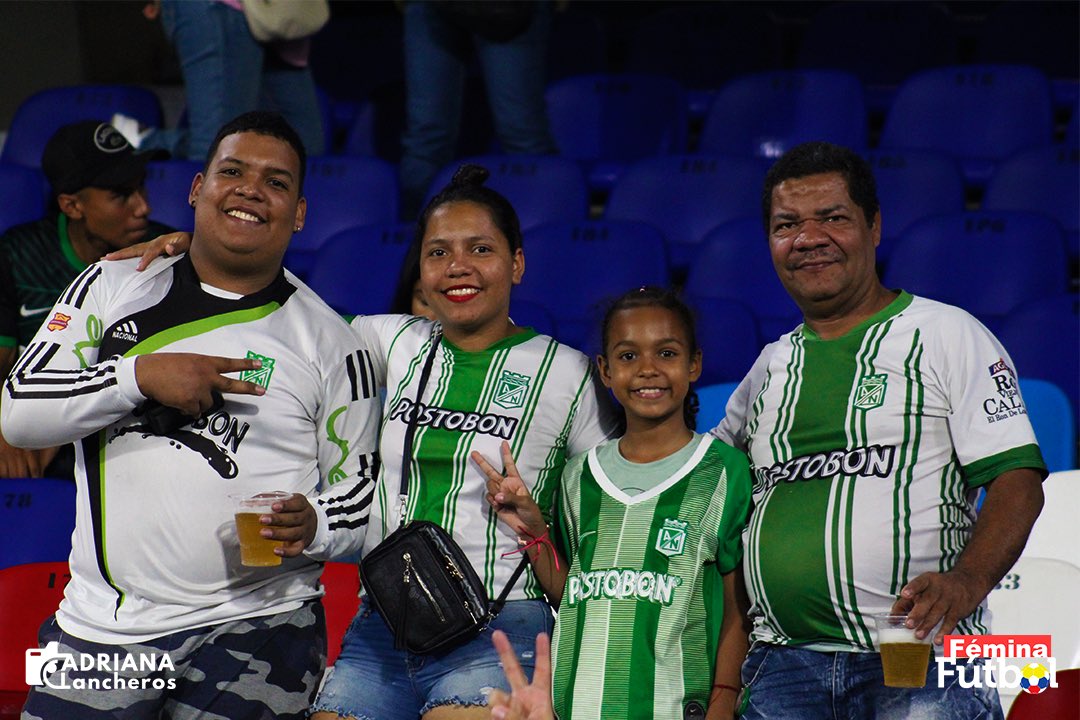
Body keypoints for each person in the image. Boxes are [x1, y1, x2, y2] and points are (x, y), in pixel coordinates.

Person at [108, 163, 618, 719]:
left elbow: (611, 512)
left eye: (481, 249)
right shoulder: (387, 339)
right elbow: (284, 329)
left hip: (502, 621)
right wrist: (208, 254)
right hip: (385, 623)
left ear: (516, 263)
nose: (458, 267)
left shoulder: (568, 374)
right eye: (438, 252)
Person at [1, 111, 381, 719]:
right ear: (197, 188)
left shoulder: (335, 343)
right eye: (232, 172)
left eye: (276, 182)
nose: (251, 190)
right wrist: (137, 376)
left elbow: (361, 498)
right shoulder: (111, 282)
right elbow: (20, 414)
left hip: (259, 625)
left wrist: (316, 521)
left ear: (300, 214)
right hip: (96, 625)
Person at [712, 141, 1046, 719]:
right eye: (786, 225)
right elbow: (703, 477)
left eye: (832, 218)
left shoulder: (946, 334)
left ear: (874, 226)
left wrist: (966, 582)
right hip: (783, 667)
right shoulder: (768, 366)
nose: (808, 238)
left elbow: (1018, 480)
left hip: (922, 658)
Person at [474, 286, 753, 720]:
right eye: (628, 356)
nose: (647, 369)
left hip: (675, 708)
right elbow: (574, 593)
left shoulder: (725, 471)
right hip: (578, 708)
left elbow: (739, 611)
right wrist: (533, 529)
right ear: (604, 370)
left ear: (694, 363)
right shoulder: (578, 475)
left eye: (666, 353)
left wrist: (723, 699)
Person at [0, 120, 173, 479]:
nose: (143, 207)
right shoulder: (17, 255)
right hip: (40, 437)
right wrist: (6, 429)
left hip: (135, 433)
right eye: (121, 195)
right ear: (72, 205)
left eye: (141, 186)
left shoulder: (167, 254)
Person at [398, 1, 557, 217]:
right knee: (426, 138)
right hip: (430, 6)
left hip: (510, 9)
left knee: (522, 135)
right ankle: (420, 232)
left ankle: (543, 229)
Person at [116, 0, 325, 160]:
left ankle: (147, 140)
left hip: (281, 12)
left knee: (304, 145)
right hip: (221, 8)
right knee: (219, 148)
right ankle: (142, 140)